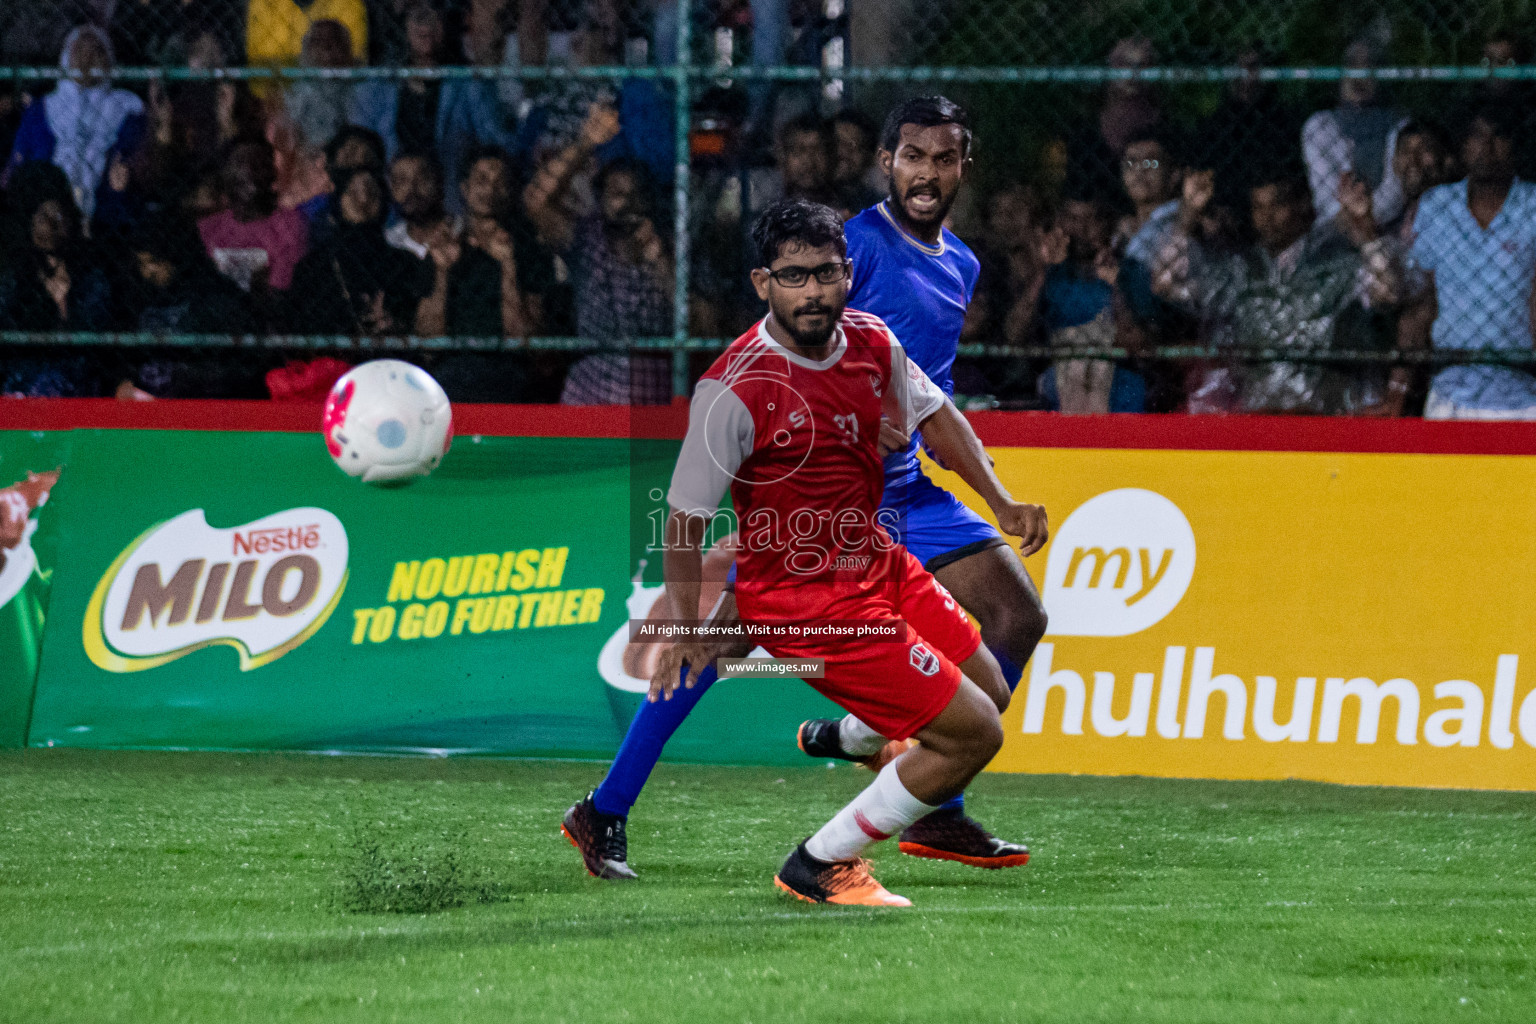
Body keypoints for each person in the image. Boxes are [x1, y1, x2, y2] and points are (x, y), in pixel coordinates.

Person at [562, 97, 1051, 878]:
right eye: (912, 156)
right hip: (823, 503)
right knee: (713, 641)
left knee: (1018, 616)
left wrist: (993, 493)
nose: (927, 173)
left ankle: (902, 768)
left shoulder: (961, 263)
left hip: (899, 497)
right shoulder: (850, 242)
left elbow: (930, 396)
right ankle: (612, 808)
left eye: (944, 158)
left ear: (966, 166)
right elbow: (789, 365)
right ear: (887, 160)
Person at [628, 199, 1020, 905]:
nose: (813, 291)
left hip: (876, 563)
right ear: (762, 282)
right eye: (794, 277)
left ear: (849, 273)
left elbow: (937, 416)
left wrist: (1002, 502)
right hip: (809, 601)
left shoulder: (872, 343)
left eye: (827, 274)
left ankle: (850, 737)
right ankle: (822, 860)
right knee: (974, 735)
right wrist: (685, 625)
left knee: (991, 689)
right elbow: (684, 520)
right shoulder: (735, 387)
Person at [1152, 165, 1403, 415]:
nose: (1266, 217)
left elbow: (1388, 291)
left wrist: (1366, 230)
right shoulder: (1241, 271)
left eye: (1276, 205)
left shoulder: (1334, 261)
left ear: (1303, 205)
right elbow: (1166, 284)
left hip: (1326, 417)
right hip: (1259, 419)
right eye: (1258, 207)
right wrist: (1187, 215)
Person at [524, 105, 674, 405]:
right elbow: (536, 200)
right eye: (617, 194)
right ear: (601, 199)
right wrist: (585, 142)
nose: (627, 203)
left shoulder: (670, 243)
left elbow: (697, 318)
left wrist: (659, 261)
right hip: (591, 381)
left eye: (636, 195)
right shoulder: (586, 237)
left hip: (653, 382)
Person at [1393, 106, 1536, 419]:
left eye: (1498, 136)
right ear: (1462, 145)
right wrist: (1398, 390)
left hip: (1523, 395)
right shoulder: (1436, 206)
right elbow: (1422, 301)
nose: (1486, 146)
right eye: (1476, 136)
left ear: (1515, 144)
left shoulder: (1533, 205)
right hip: (1450, 392)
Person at [348, 2, 517, 214]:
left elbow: (497, 143)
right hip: (390, 210)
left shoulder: (469, 85)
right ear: (403, 25)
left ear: (447, 24)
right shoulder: (374, 89)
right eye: (417, 15)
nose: (425, 24)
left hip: (451, 206)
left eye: (434, 15)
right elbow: (358, 151)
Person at [4, 26, 146, 222]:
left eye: (96, 49)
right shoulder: (42, 109)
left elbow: (131, 165)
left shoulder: (127, 109)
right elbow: (17, 164)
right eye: (80, 50)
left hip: (103, 213)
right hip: (42, 209)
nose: (87, 57)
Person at [287, 165, 433, 335]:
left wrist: (394, 324)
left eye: (371, 192)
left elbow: (421, 325)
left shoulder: (406, 264)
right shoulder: (312, 267)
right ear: (338, 200)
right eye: (353, 192)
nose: (363, 200)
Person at [197, 137, 310, 320]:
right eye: (239, 164)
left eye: (258, 165)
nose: (248, 172)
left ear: (271, 174)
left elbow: (279, 295)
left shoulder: (289, 224)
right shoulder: (208, 228)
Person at [1302, 38, 1409, 228]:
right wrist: (1355, 217)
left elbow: (1394, 194)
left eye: (1369, 66)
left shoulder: (1398, 126)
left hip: (1386, 228)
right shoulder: (1320, 125)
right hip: (1334, 230)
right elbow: (1326, 198)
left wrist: (1366, 217)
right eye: (1352, 64)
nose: (1359, 74)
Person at [831, 109, 883, 216]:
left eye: (854, 145)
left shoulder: (880, 209)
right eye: (837, 142)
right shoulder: (805, 201)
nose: (843, 152)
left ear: (870, 157)